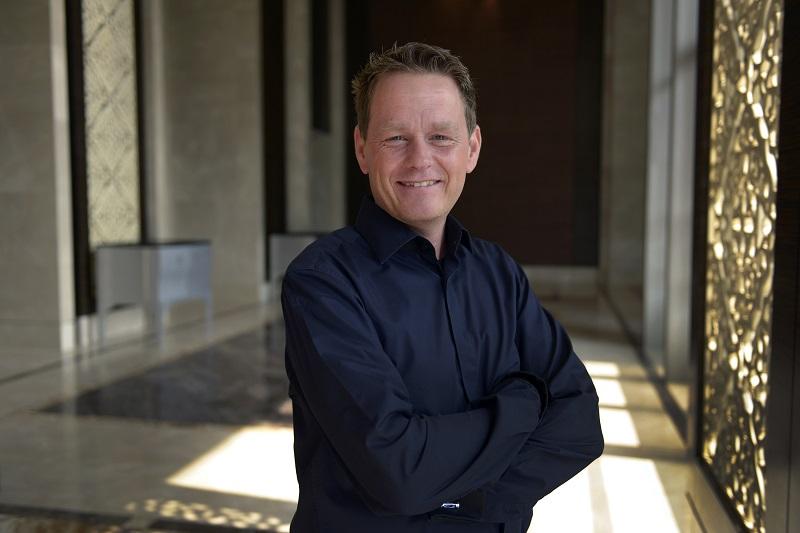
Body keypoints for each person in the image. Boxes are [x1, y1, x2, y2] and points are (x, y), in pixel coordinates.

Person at [281, 42, 603, 533]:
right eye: (395, 138)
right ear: (362, 148)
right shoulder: (322, 282)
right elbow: (399, 473)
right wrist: (524, 402)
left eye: (440, 137)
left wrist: (468, 502)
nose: (420, 160)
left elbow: (579, 426)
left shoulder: (499, 272)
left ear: (472, 149)